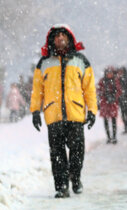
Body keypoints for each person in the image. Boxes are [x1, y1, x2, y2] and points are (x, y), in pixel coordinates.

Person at [30, 24, 97, 198]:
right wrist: (35, 111)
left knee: (77, 152)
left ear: (69, 38)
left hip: (75, 114)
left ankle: (75, 178)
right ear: (51, 40)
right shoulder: (44, 63)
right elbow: (37, 90)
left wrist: (92, 111)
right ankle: (61, 187)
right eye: (56, 36)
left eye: (63, 36)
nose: (60, 39)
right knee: (57, 154)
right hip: (53, 115)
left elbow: (89, 89)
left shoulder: (81, 61)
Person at [97, 66, 121, 144]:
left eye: (110, 73)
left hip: (113, 104)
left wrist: (114, 97)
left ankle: (114, 137)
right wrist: (104, 96)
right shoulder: (102, 81)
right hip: (105, 104)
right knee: (105, 121)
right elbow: (98, 91)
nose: (109, 74)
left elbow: (119, 91)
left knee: (114, 121)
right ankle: (108, 137)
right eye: (108, 73)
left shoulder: (115, 81)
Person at [117, 66, 127, 134]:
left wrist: (124, 94)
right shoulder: (119, 79)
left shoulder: (126, 78)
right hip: (124, 99)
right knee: (125, 114)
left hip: (126, 99)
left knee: (126, 114)